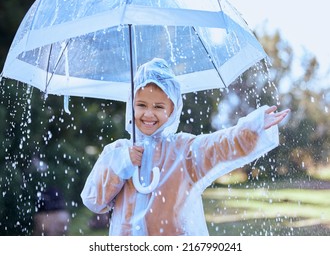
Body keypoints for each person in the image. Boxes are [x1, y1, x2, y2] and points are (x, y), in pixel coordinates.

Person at [81, 58, 290, 236]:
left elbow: (218, 146)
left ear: (172, 110)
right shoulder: (116, 151)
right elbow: (94, 200)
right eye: (142, 105)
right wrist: (122, 163)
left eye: (159, 107)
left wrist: (252, 128)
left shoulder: (182, 150)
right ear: (131, 104)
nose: (148, 114)